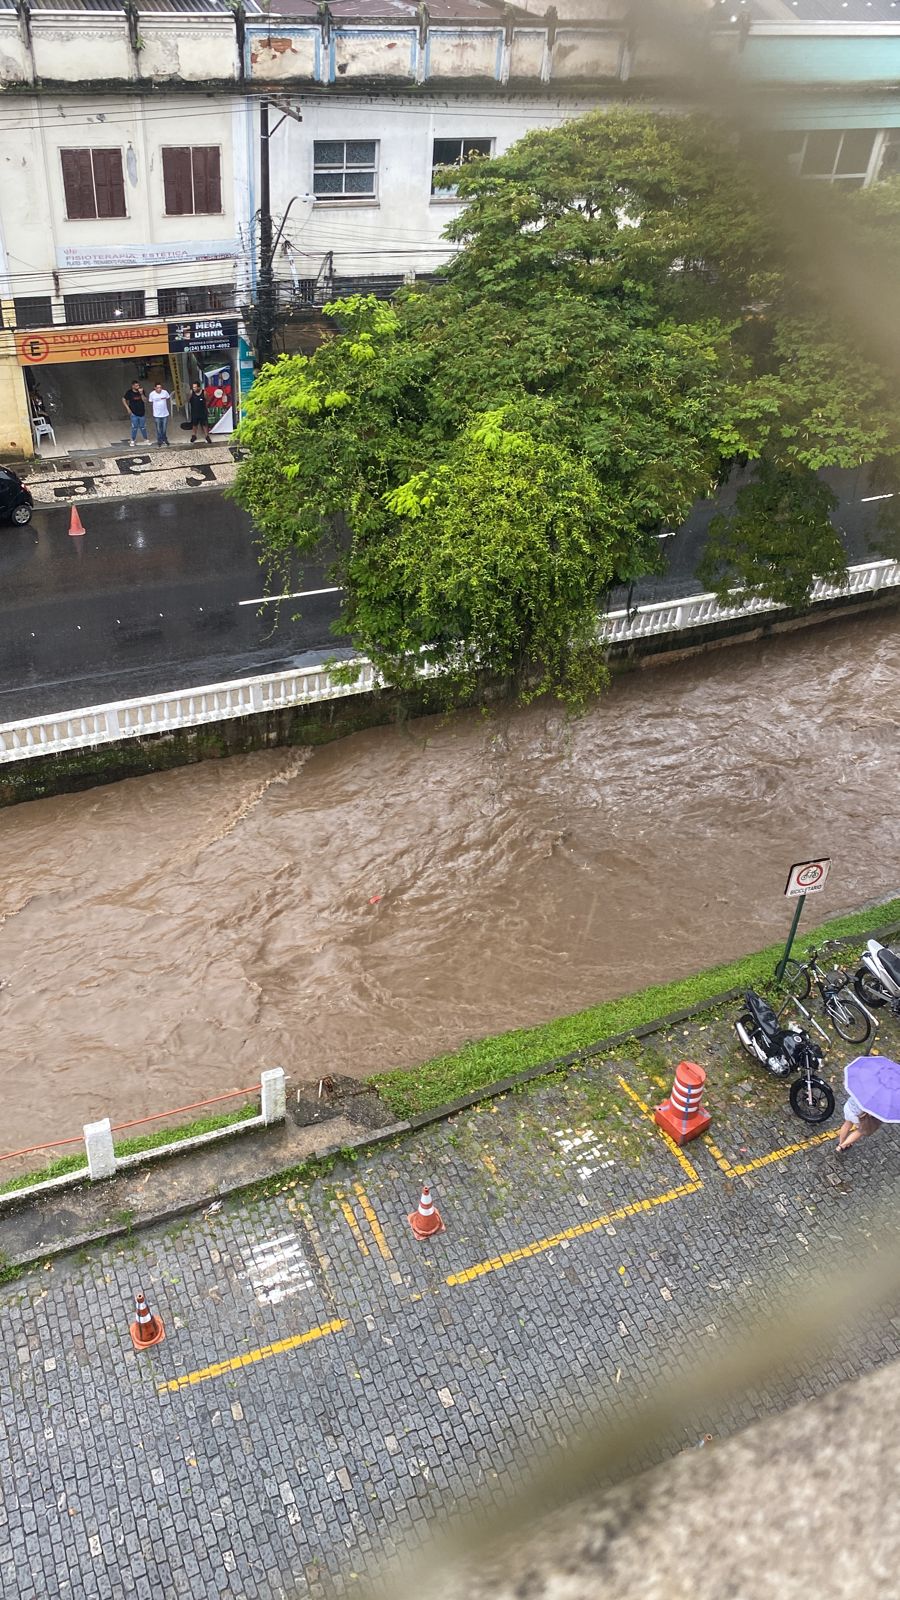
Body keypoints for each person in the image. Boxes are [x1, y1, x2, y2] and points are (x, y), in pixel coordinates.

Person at [122, 380, 148, 445]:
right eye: (136, 386)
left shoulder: (141, 391)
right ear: (133, 386)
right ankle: (133, 440)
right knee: (134, 427)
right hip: (133, 413)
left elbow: (145, 400)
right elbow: (123, 399)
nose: (138, 387)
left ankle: (145, 439)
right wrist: (128, 408)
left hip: (142, 412)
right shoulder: (129, 392)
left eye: (138, 385)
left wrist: (141, 393)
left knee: (143, 427)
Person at [149, 382, 172, 447]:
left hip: (165, 413)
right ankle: (159, 440)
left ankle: (164, 438)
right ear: (155, 388)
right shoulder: (152, 394)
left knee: (164, 428)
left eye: (160, 388)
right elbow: (150, 401)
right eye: (158, 388)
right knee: (158, 428)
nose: (159, 389)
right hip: (157, 414)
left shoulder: (165, 392)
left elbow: (168, 397)